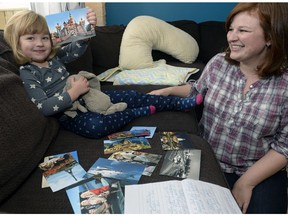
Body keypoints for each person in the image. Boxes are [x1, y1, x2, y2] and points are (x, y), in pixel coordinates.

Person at [149, 3, 288, 214]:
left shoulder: (285, 85)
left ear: (270, 37)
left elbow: (284, 147)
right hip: (202, 155)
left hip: (255, 169)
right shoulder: (217, 63)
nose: (232, 37)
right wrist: (168, 90)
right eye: (231, 29)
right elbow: (197, 91)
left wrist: (246, 183)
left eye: (242, 30)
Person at [4, 9, 203, 139]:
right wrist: (74, 93)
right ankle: (136, 113)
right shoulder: (28, 72)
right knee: (96, 127)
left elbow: (75, 49)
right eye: (31, 38)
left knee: (133, 95)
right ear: (16, 43)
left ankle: (178, 103)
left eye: (44, 38)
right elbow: (45, 108)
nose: (39, 43)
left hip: (91, 95)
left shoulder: (54, 57)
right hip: (70, 113)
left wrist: (87, 29)